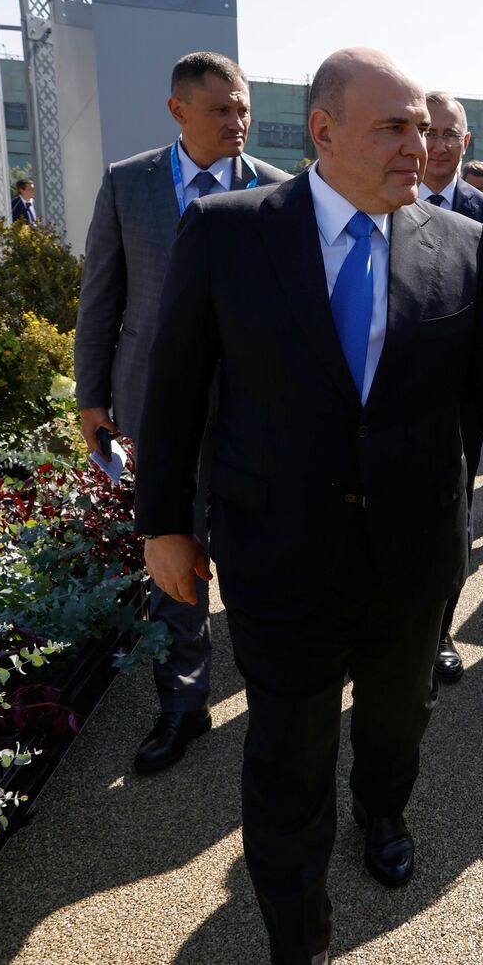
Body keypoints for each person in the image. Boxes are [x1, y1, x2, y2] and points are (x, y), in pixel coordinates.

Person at [133, 47, 483, 965]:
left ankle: (383, 810)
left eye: (423, 127)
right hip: (278, 554)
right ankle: (301, 937)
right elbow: (172, 390)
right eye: (395, 128)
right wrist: (163, 524)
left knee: (395, 724)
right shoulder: (226, 230)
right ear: (324, 132)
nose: (421, 146)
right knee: (287, 760)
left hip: (413, 559)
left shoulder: (465, 244)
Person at [73, 51, 290, 777]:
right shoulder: (127, 184)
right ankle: (181, 705)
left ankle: (275, 692)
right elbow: (100, 298)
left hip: (247, 413)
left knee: (259, 552)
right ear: (178, 112)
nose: (237, 122)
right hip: (149, 408)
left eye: (243, 110)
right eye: (221, 110)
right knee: (170, 550)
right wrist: (91, 400)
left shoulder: (277, 193)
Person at [419, 91, 483, 684]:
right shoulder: (381, 196)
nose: (441, 145)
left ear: (467, 142)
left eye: (453, 135)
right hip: (388, 395)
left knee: (455, 518)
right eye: (432, 132)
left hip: (461, 399)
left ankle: (441, 629)